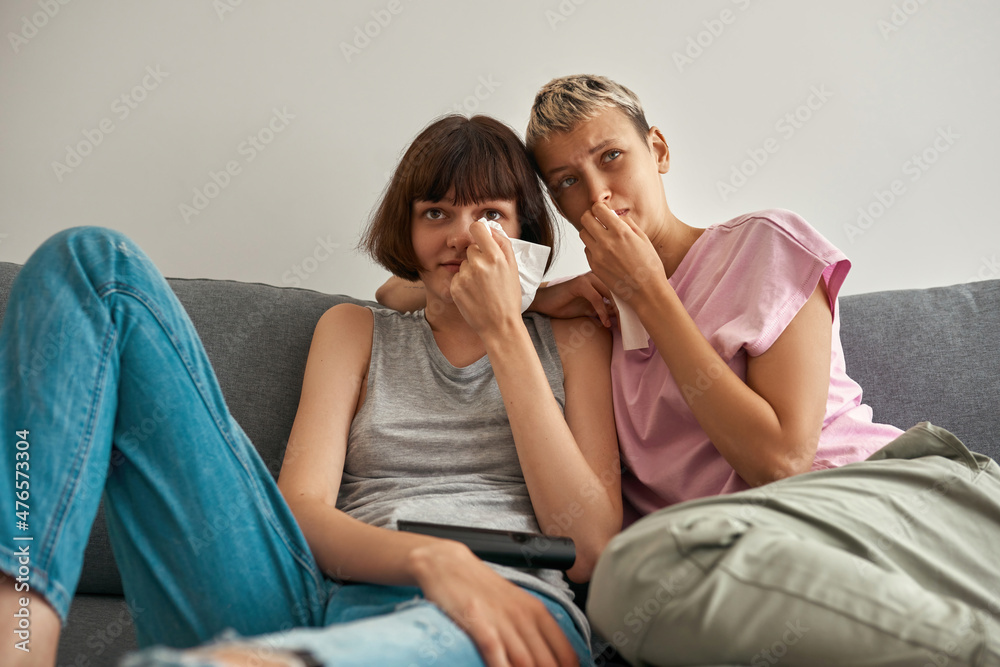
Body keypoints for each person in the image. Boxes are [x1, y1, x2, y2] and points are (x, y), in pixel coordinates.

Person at [378, 75, 1000, 665]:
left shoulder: (761, 245)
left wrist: (651, 292)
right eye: (566, 182)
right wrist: (534, 293)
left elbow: (780, 463)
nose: (596, 194)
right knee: (635, 592)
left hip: (884, 498)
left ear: (658, 150)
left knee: (634, 574)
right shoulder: (591, 317)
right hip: (751, 556)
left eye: (611, 158)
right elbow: (397, 292)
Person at [0, 114, 621, 667]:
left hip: (503, 607)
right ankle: (20, 631)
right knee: (88, 261)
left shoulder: (570, 343)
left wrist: (506, 328)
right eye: (436, 213)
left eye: (489, 215)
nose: (460, 236)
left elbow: (590, 548)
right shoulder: (353, 331)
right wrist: (432, 559)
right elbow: (303, 512)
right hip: (317, 596)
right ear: (408, 233)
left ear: (525, 233)